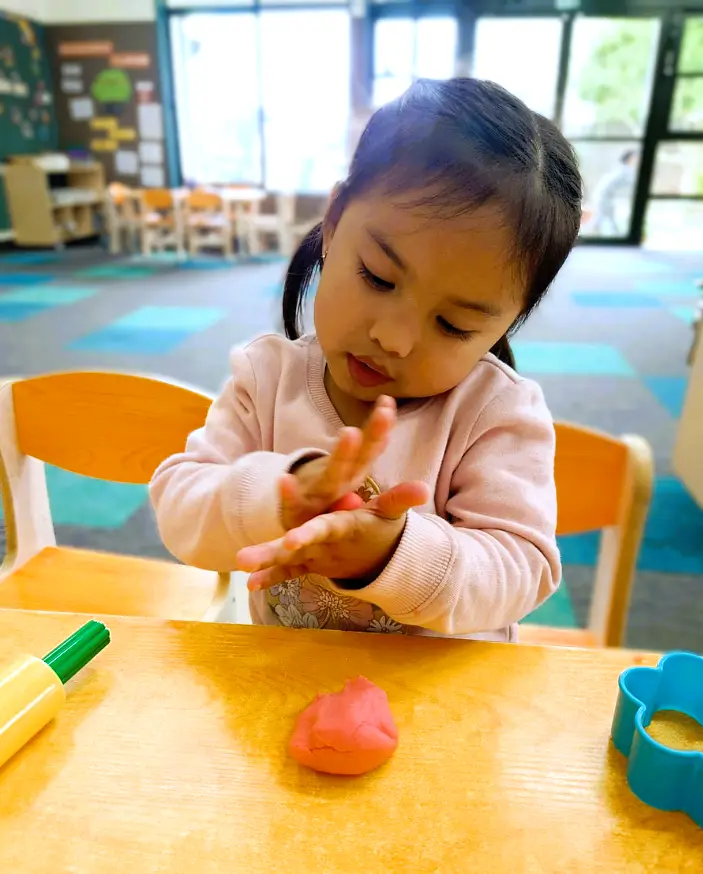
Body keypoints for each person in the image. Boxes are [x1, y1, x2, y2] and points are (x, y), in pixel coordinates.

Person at [150, 78, 583, 641]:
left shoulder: (495, 412)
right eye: (378, 277)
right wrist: (279, 497)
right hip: (283, 683)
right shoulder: (265, 380)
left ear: (507, 322)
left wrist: (392, 555)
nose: (395, 338)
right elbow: (180, 511)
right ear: (332, 223)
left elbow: (519, 569)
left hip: (441, 701)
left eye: (454, 324)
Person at [586, 149, 638, 237]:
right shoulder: (626, 171)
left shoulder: (622, 169)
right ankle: (615, 237)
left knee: (600, 218)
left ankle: (589, 234)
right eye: (634, 158)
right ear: (629, 159)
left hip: (602, 196)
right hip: (604, 197)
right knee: (606, 219)